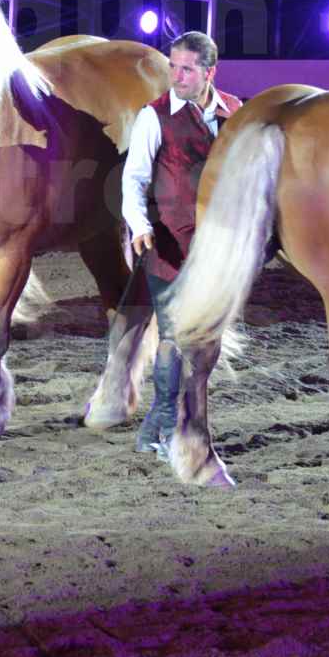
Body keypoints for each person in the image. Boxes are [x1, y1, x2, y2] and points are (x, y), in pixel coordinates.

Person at [118, 30, 243, 456]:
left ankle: (153, 431)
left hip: (217, 250)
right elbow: (133, 180)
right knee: (172, 336)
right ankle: (170, 430)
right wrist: (138, 226)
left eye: (187, 68)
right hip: (167, 245)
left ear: (209, 71)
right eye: (173, 66)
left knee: (204, 338)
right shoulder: (153, 117)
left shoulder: (236, 113)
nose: (177, 75)